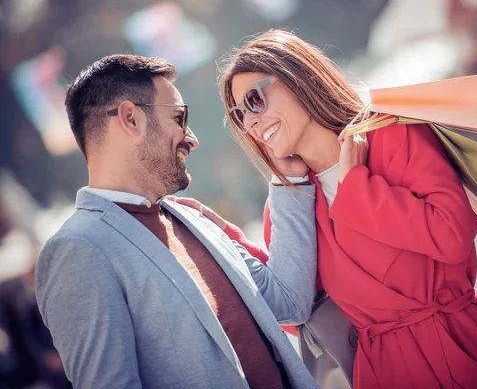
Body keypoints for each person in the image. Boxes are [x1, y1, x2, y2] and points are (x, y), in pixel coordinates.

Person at [179, 30, 477, 389]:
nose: (252, 122)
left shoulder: (391, 133)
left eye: (255, 100)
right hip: (382, 372)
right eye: (240, 115)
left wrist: (359, 189)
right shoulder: (289, 202)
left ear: (297, 77)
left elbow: (452, 236)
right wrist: (230, 245)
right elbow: (299, 307)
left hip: (467, 351)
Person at [34, 54, 320, 389]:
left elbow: (290, 302)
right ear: (130, 119)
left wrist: (291, 184)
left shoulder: (190, 216)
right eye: (179, 118)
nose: (191, 138)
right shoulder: (77, 251)